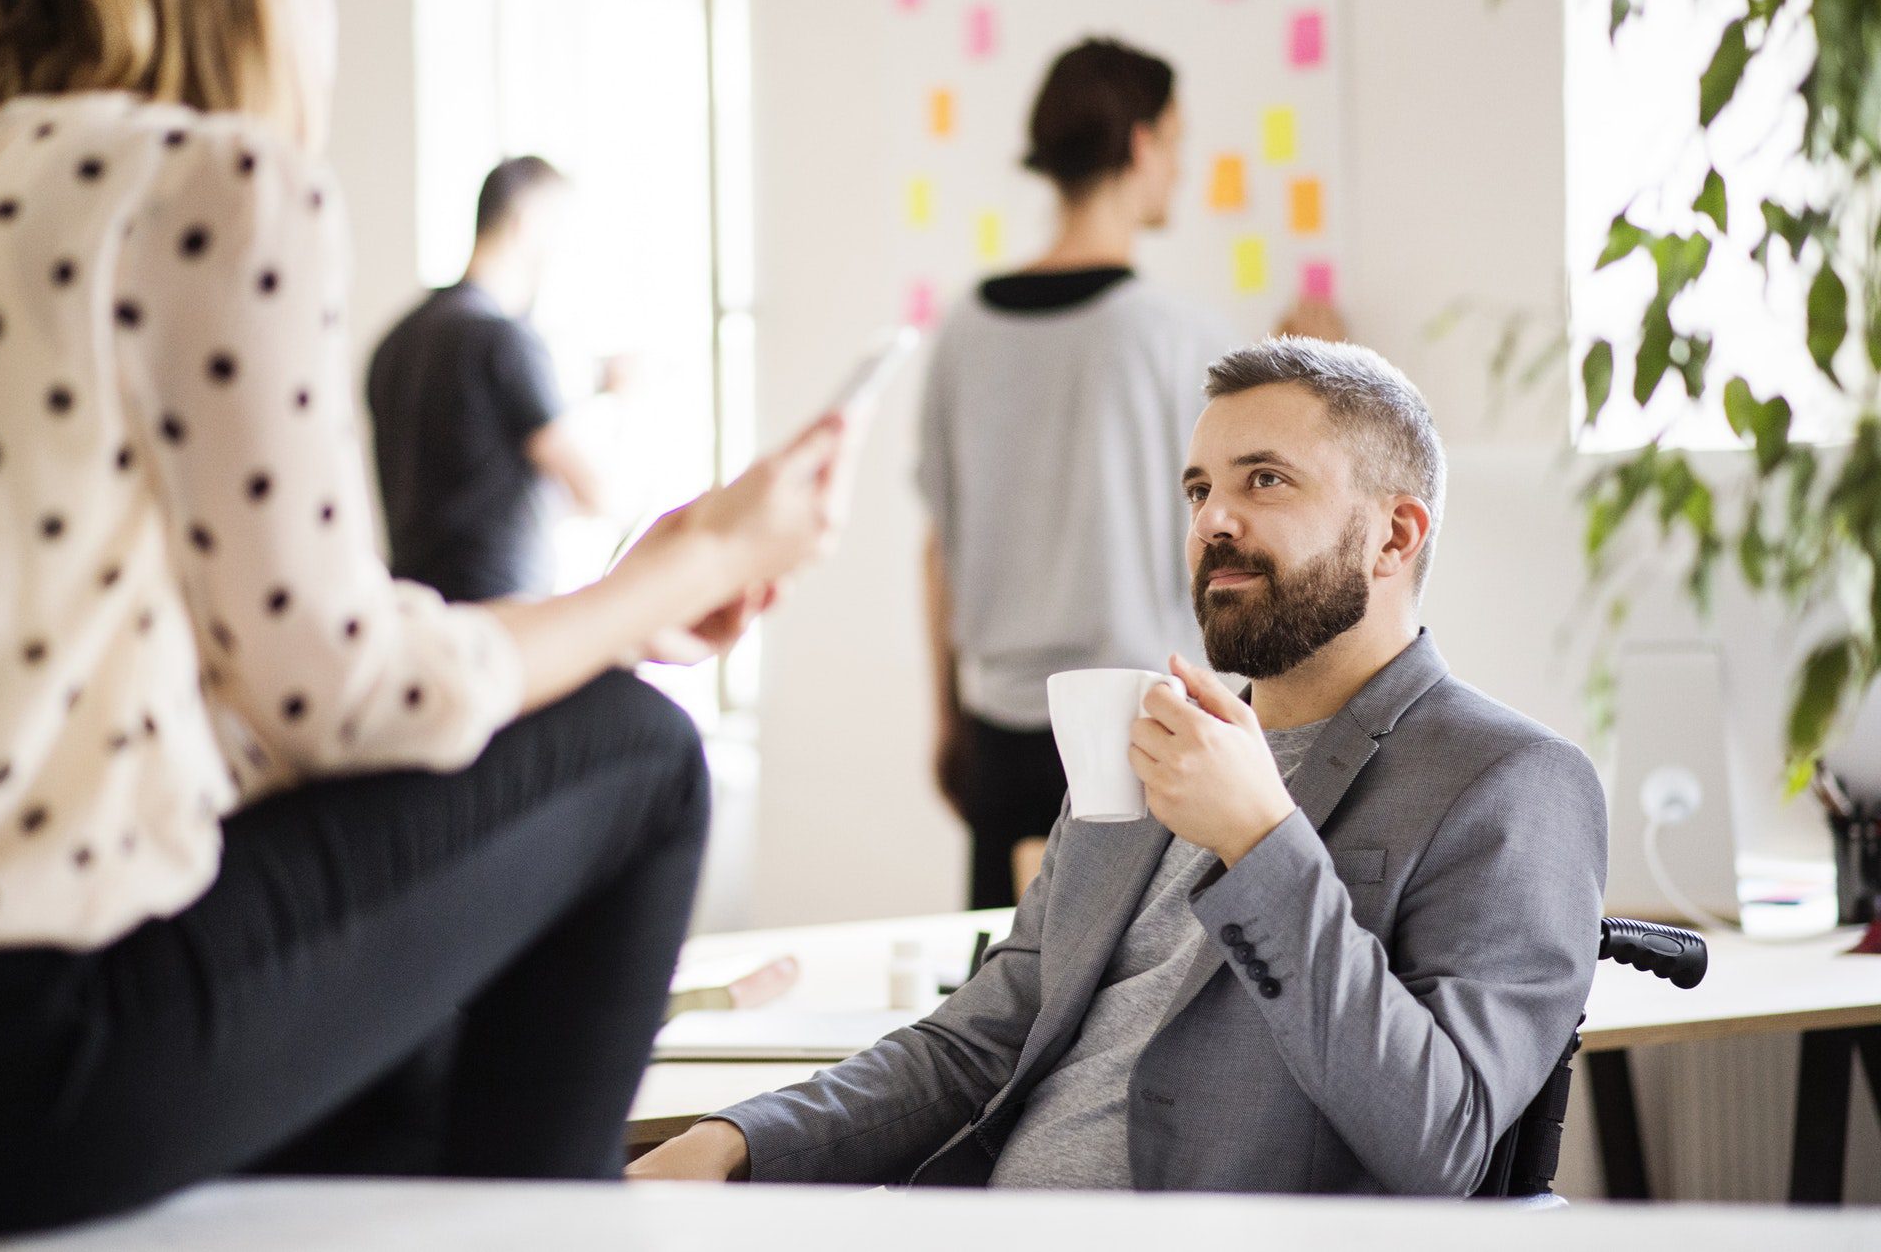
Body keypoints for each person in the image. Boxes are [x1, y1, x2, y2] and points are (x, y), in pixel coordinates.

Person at [0, 0, 847, 1237]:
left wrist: (612, 609)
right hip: (38, 1059)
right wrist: (690, 566)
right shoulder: (208, 184)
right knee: (638, 758)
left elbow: (236, 666)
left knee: (417, 1057)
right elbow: (333, 692)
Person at [631, 337, 1608, 1195]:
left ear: (1394, 533)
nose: (1212, 521)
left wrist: (1262, 843)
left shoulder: (1509, 784)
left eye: (1262, 480)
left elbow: (1440, 1140)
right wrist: (735, 1140)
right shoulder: (1138, 745)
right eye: (1198, 489)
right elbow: (980, 1037)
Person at [918, 38, 1240, 911]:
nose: (1180, 165)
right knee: (1125, 1017)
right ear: (1140, 146)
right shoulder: (1178, 339)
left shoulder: (962, 331)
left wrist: (947, 722)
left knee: (997, 1022)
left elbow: (939, 548)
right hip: (1135, 732)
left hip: (999, 729)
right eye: (1176, 141)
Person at [367, 155, 607, 603]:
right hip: (501, 620)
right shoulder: (504, 342)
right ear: (527, 222)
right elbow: (595, 491)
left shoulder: (396, 341)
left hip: (414, 615)